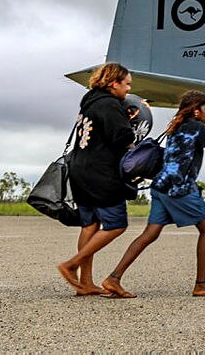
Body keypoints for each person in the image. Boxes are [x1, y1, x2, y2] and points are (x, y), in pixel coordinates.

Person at [101, 90, 205, 298]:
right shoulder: (197, 127)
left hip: (160, 186)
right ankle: (201, 284)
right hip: (180, 188)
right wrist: (204, 131)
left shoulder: (174, 128)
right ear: (196, 111)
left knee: (150, 233)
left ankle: (114, 278)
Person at [57, 62, 135, 296]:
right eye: (127, 84)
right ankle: (71, 265)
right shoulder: (110, 105)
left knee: (90, 224)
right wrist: (132, 122)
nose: (129, 90)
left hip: (79, 169)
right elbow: (122, 138)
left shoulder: (90, 102)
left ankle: (85, 283)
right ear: (114, 83)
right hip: (101, 173)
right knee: (117, 224)